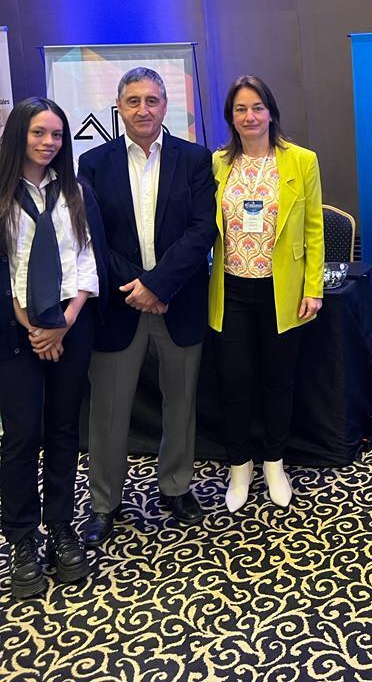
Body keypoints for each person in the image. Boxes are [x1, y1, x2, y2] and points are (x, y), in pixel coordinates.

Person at [78, 67, 217, 547]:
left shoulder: (195, 159)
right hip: (119, 305)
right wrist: (136, 287)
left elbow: (202, 230)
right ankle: (104, 503)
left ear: (165, 106)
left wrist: (158, 286)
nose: (143, 109)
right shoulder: (93, 163)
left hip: (179, 301)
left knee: (181, 403)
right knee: (108, 410)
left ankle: (176, 486)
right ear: (119, 107)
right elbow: (92, 236)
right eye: (133, 100)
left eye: (152, 100)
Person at [0, 98, 106, 599]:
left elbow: (87, 260)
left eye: (57, 135)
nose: (48, 142)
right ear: (19, 134)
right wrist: (32, 326)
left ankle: (61, 526)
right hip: (14, 330)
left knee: (64, 430)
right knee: (21, 436)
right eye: (39, 133)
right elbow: (5, 271)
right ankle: (22, 538)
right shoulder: (2, 194)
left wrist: (64, 323)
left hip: (69, 325)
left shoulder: (75, 191)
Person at [208, 75, 324, 511]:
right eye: (240, 109)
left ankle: (274, 462)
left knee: (279, 380)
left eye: (257, 107)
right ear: (230, 117)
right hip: (231, 288)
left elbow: (314, 228)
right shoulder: (217, 163)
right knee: (234, 380)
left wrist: (313, 287)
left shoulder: (301, 161)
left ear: (271, 112)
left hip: (282, 289)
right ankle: (240, 466)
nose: (250, 116)